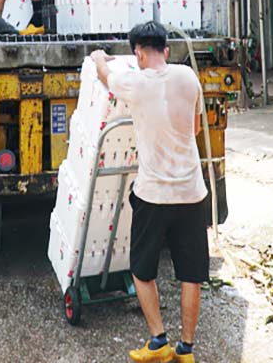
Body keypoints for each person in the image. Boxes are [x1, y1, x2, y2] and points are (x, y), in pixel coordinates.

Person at [90, 21, 207, 363]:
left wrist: (99, 56)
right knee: (191, 274)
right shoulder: (188, 77)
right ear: (166, 51)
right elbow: (196, 127)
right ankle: (186, 350)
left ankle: (158, 341)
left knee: (142, 269)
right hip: (192, 192)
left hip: (154, 195)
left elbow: (102, 73)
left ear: (138, 54)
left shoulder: (134, 82)